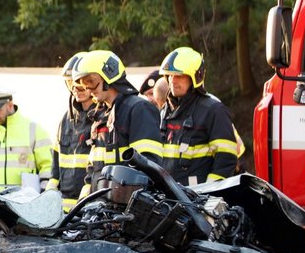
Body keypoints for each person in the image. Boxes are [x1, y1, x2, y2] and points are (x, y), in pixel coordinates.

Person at [71, 50, 163, 196]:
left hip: (128, 209)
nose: (88, 88)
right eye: (83, 84)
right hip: (102, 208)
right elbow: (92, 173)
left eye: (91, 82)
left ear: (110, 75)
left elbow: (148, 168)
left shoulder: (139, 109)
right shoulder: (99, 116)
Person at [158, 46, 240, 185]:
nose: (173, 80)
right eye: (170, 75)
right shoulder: (165, 111)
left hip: (197, 199)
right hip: (167, 197)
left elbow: (226, 160)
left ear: (195, 77)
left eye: (179, 75)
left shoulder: (213, 110)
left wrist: (207, 194)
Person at [47, 52, 94, 211]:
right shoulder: (65, 120)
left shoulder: (104, 117)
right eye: (71, 83)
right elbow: (55, 172)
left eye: (81, 83)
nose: (76, 88)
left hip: (91, 207)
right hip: (63, 210)